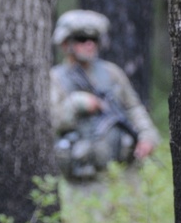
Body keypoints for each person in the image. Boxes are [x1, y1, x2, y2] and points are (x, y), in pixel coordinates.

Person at [50, 10, 160, 182]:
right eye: (81, 39)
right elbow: (50, 122)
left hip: (123, 174)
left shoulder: (112, 73)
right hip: (82, 178)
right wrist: (76, 105)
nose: (89, 44)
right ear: (65, 43)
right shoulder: (55, 78)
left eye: (94, 39)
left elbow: (133, 108)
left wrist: (147, 136)